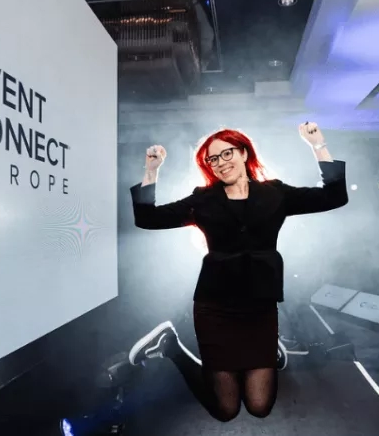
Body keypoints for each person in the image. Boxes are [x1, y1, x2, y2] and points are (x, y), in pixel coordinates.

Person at [126, 123, 348, 422]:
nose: (220, 163)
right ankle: (172, 348)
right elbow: (147, 218)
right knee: (226, 410)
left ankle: (268, 351)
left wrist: (318, 146)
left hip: (260, 308)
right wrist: (152, 170)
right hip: (216, 309)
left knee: (259, 405)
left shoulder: (275, 193)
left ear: (243, 152)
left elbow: (334, 197)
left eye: (226, 153)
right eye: (213, 160)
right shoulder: (202, 199)